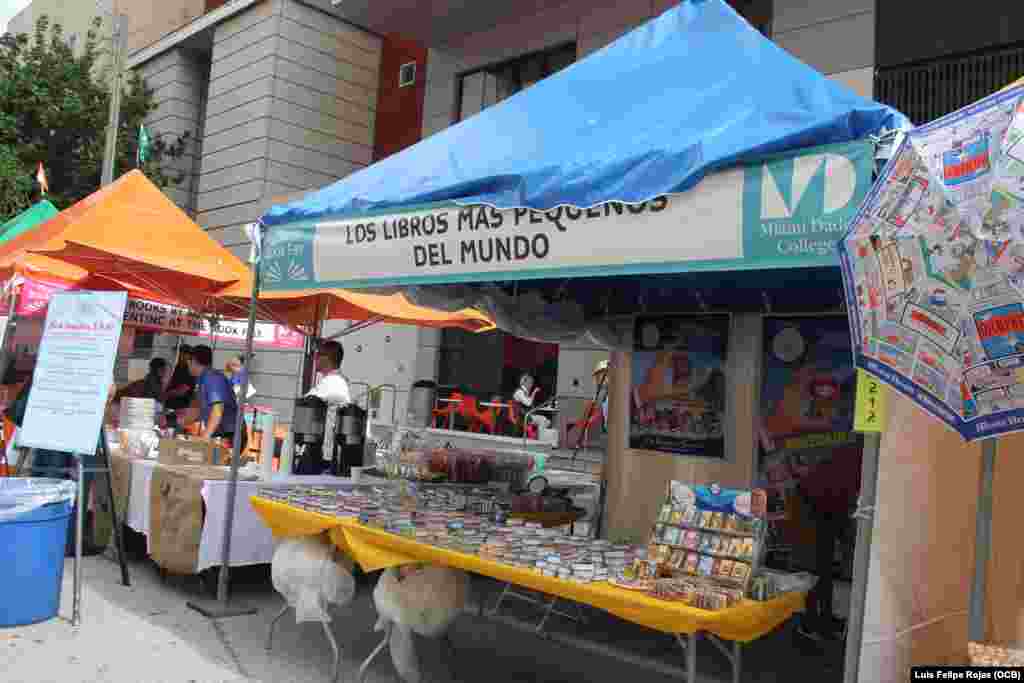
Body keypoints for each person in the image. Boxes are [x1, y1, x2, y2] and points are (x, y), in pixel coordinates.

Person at [796, 449, 863, 641]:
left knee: (822, 574)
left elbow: (844, 499)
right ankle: (812, 623)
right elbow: (840, 498)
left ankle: (822, 620)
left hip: (821, 513)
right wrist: (847, 537)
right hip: (817, 516)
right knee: (819, 574)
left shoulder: (849, 460)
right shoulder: (854, 463)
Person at [187, 344, 245, 451]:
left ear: (194, 361)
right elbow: (197, 411)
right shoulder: (201, 379)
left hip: (230, 435)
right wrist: (175, 420)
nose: (187, 365)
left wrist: (204, 437)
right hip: (220, 434)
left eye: (188, 361)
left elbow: (217, 411)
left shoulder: (212, 378)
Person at [306, 340, 351, 405]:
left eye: (318, 354)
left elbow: (305, 405)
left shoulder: (332, 382)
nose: (314, 357)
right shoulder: (337, 381)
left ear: (326, 358)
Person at [164, 345, 196, 411]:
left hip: (180, 407)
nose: (181, 355)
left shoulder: (191, 371)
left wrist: (165, 394)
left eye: (184, 354)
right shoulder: (178, 367)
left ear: (189, 356)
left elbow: (182, 390)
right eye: (180, 352)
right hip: (169, 403)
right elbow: (171, 382)